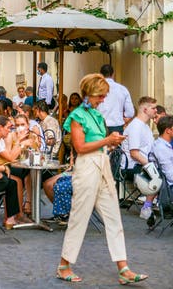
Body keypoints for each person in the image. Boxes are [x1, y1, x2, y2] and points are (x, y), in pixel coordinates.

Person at [56, 73, 147, 285]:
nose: (103, 100)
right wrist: (108, 139)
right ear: (91, 93)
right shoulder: (78, 115)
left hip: (102, 164)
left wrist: (110, 143)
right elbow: (80, 147)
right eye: (101, 96)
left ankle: (123, 268)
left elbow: (96, 143)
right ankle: (63, 265)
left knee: (114, 217)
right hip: (87, 167)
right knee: (79, 217)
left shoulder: (97, 115)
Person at [120, 96, 158, 220]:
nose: (156, 111)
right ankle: (146, 207)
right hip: (132, 167)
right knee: (159, 174)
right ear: (145, 109)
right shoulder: (136, 126)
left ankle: (158, 203)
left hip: (141, 165)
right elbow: (134, 154)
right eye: (153, 108)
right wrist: (152, 166)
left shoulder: (145, 126)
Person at [97, 64, 135, 134]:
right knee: (115, 145)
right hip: (117, 126)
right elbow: (130, 112)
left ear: (100, 75)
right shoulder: (122, 89)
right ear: (113, 74)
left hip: (98, 125)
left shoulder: (95, 89)